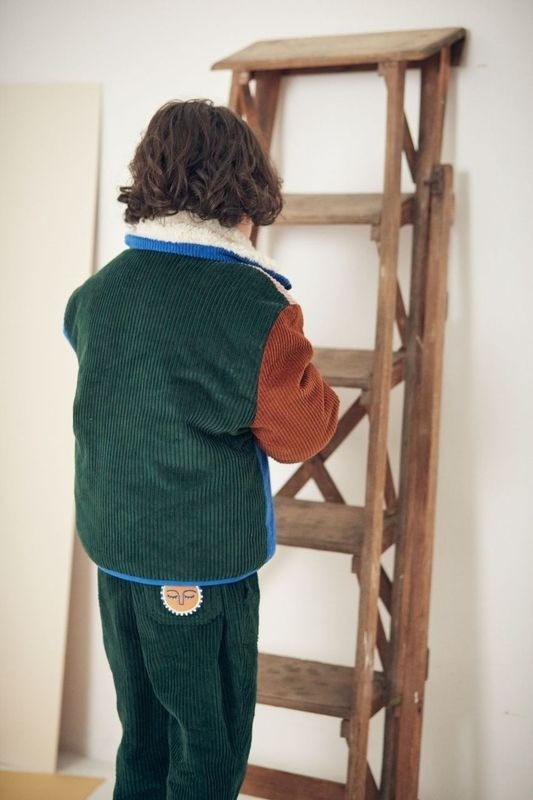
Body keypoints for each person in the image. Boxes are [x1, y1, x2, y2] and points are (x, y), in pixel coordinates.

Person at [63, 98, 340, 800]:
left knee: (143, 737)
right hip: (196, 564)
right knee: (206, 748)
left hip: (113, 549)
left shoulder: (96, 294)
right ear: (245, 187)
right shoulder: (253, 305)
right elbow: (302, 435)